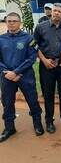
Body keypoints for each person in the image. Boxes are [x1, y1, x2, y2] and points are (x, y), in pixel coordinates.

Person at [0, 12, 44, 142]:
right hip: (6, 77)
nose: (12, 23)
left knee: (32, 101)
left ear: (20, 23)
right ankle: (9, 128)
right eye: (9, 21)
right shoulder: (1, 39)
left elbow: (32, 58)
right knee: (7, 103)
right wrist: (7, 72)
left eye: (14, 21)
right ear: (6, 22)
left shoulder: (29, 38)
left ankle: (37, 124)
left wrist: (17, 72)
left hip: (25, 76)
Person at [34, 3, 61, 134]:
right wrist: (44, 60)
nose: (56, 13)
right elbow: (34, 46)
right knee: (48, 94)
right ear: (51, 12)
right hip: (47, 66)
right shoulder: (40, 27)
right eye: (54, 10)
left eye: (59, 11)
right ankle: (49, 120)